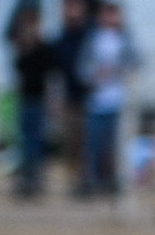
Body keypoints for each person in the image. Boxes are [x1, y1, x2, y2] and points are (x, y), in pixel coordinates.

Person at [78, 0, 136, 195]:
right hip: (96, 101)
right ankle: (95, 182)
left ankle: (113, 181)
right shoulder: (93, 38)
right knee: (94, 145)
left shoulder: (125, 39)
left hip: (118, 101)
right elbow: (81, 68)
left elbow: (136, 63)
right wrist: (94, 75)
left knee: (115, 147)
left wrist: (119, 70)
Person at [11, 6, 55, 197]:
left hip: (38, 99)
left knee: (36, 140)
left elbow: (48, 68)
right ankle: (25, 177)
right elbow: (19, 68)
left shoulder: (43, 47)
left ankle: (35, 177)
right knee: (24, 140)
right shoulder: (23, 47)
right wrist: (24, 45)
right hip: (24, 99)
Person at [54, 0, 91, 191]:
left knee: (86, 142)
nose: (73, 11)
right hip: (70, 97)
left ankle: (85, 179)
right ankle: (72, 179)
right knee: (70, 142)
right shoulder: (62, 37)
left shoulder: (90, 35)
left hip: (89, 98)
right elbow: (57, 71)